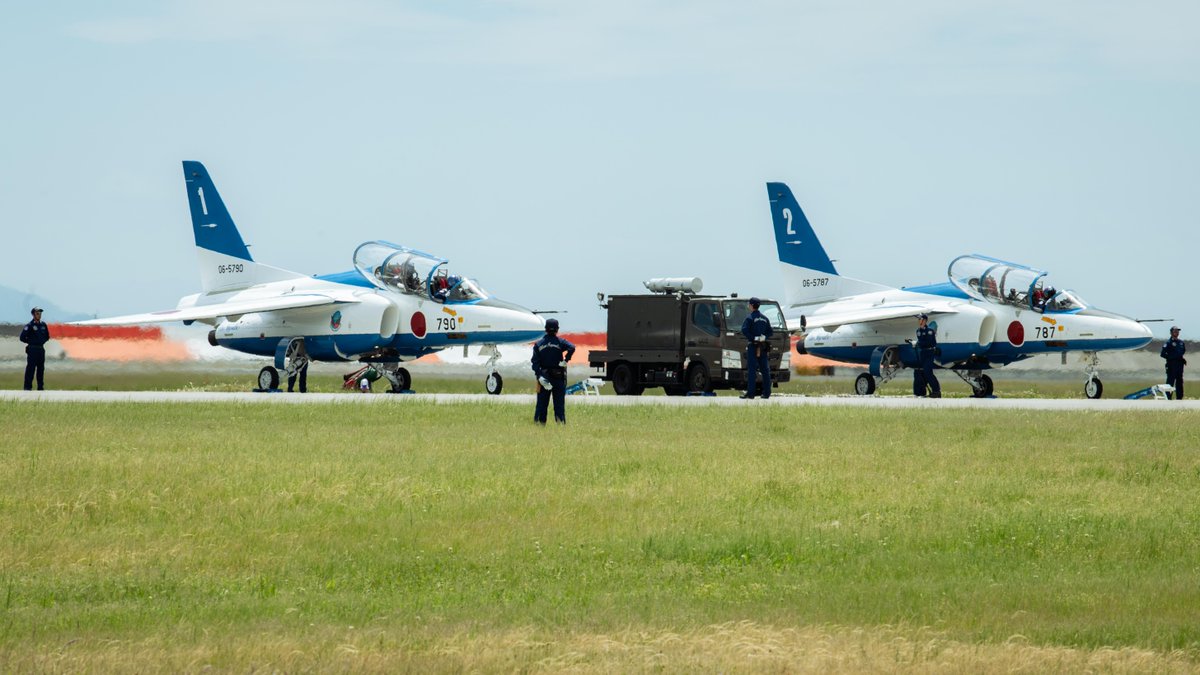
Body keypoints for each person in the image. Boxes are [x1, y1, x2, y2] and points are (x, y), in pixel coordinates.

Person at [531, 318, 575, 424]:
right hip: (558, 378)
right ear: (557, 329)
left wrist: (539, 376)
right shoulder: (560, 342)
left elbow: (535, 363)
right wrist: (566, 360)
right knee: (559, 405)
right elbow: (572, 347)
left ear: (545, 329)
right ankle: (560, 425)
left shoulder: (538, 344)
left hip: (544, 378)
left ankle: (539, 426)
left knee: (542, 405)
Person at [740, 297, 773, 399]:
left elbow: (744, 330)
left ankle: (751, 394)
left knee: (752, 370)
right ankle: (767, 393)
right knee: (765, 370)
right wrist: (764, 337)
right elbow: (770, 331)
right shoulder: (765, 318)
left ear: (751, 305)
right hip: (762, 346)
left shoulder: (749, 318)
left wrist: (753, 337)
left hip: (753, 346)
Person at [20, 307, 50, 391]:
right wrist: (31, 342)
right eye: (37, 313)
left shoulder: (43, 325)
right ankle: (27, 387)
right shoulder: (29, 326)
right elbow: (22, 338)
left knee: (41, 369)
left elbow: (47, 336)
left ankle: (40, 387)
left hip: (40, 349)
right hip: (32, 349)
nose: (39, 315)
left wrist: (41, 341)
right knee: (31, 368)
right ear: (33, 314)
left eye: (40, 313)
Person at [913, 313, 941, 398]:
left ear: (925, 321)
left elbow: (928, 342)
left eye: (920, 319)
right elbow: (921, 342)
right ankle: (920, 391)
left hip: (929, 352)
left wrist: (917, 343)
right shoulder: (918, 331)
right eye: (919, 320)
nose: (919, 321)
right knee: (919, 371)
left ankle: (936, 391)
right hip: (923, 353)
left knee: (928, 372)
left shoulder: (929, 331)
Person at [1161, 326, 1186, 400]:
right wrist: (1171, 358)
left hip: (1179, 365)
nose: (1177, 333)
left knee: (1179, 382)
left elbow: (1183, 351)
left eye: (1177, 331)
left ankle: (1179, 398)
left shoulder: (1181, 342)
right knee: (1170, 382)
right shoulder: (1168, 343)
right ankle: (1168, 398)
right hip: (1171, 365)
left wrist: (1182, 359)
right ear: (1171, 333)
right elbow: (1162, 354)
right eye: (1175, 331)